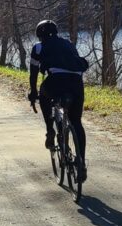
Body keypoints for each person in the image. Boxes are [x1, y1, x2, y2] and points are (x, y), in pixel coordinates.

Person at [27, 19, 89, 182]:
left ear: (39, 35)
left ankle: (50, 130)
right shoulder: (69, 44)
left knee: (43, 94)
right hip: (76, 84)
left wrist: (33, 93)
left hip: (56, 81)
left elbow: (33, 74)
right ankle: (81, 162)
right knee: (76, 121)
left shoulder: (38, 47)